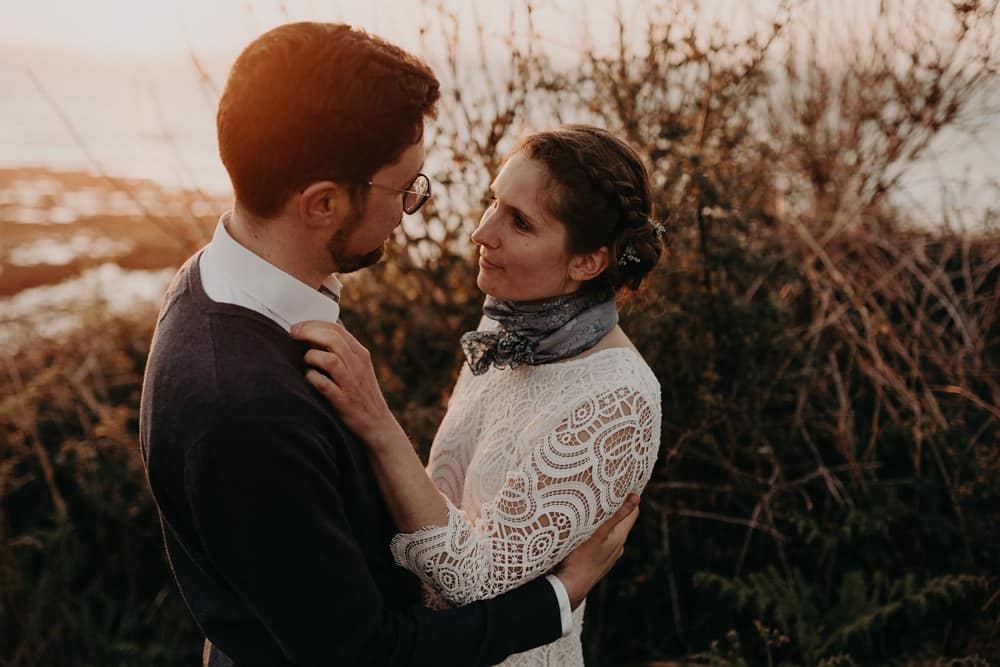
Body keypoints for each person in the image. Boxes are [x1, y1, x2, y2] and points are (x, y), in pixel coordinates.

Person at [138, 23, 639, 667]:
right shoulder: (243, 409)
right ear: (322, 204)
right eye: (404, 189)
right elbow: (365, 653)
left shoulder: (219, 282)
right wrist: (560, 596)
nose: (412, 207)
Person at [292, 124, 665, 665]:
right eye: (494, 202)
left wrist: (376, 421)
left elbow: (475, 579)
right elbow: (441, 501)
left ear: (587, 262)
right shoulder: (508, 329)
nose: (482, 232)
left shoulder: (617, 401)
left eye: (520, 222)